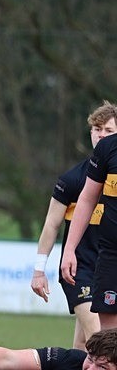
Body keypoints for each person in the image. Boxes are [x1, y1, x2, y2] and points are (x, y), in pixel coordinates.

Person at [35, 102, 117, 347]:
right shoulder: (72, 179)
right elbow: (51, 225)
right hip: (78, 272)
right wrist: (39, 270)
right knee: (100, 339)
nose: (101, 135)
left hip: (106, 269)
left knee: (83, 347)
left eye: (108, 130)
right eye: (97, 129)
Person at [62, 103, 117, 333]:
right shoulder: (108, 149)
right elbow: (86, 199)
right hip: (111, 256)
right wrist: (69, 249)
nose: (102, 134)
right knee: (106, 337)